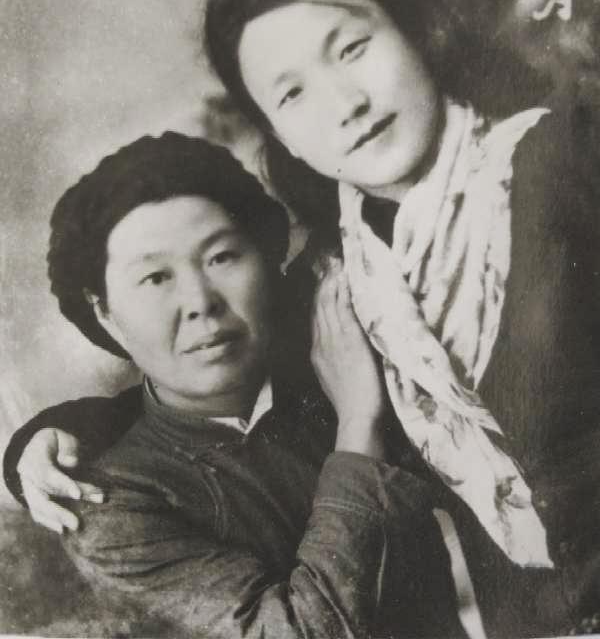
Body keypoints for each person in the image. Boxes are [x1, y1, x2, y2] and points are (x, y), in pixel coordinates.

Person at [5, 0, 600, 635]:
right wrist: (45, 440)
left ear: (420, 32)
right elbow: (204, 382)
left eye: (352, 49)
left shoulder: (572, 157)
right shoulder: (342, 280)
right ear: (279, 135)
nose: (347, 104)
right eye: (291, 93)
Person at [5, 131, 465, 639]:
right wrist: (359, 424)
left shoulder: (350, 337)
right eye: (156, 278)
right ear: (105, 314)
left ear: (266, 258)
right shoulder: (109, 504)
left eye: (221, 257)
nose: (200, 301)